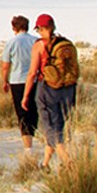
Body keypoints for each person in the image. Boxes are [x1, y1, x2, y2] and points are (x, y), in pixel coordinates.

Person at [21, 14, 78, 170]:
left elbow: (32, 72)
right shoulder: (65, 43)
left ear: (41, 28)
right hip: (68, 89)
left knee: (51, 126)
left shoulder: (39, 45)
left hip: (48, 88)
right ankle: (45, 163)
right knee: (60, 124)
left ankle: (68, 162)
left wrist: (26, 96)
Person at [1, 15, 39, 154]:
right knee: (34, 109)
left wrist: (4, 80)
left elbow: (5, 65)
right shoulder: (35, 41)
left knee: (22, 113)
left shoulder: (12, 42)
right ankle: (36, 134)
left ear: (14, 27)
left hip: (17, 80)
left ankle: (28, 146)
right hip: (35, 80)